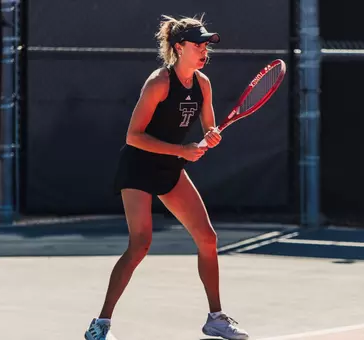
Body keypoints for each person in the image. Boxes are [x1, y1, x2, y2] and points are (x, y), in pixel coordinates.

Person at [84, 14, 250, 340]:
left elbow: (206, 132)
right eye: (197, 44)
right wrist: (181, 151)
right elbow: (133, 136)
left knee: (208, 238)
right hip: (138, 168)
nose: (204, 50)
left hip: (170, 168)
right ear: (179, 47)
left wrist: (210, 137)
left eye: (206, 45)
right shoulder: (159, 82)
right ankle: (100, 326)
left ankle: (215, 318)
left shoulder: (203, 84)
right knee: (140, 244)